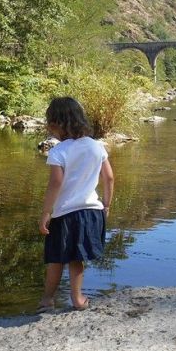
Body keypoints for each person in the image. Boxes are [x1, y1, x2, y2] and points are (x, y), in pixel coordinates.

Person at [37, 96, 114, 313]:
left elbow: (56, 183)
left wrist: (46, 212)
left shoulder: (58, 151)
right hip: (90, 211)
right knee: (76, 258)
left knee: (56, 259)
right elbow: (109, 178)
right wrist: (106, 205)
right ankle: (78, 299)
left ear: (56, 124)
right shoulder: (96, 146)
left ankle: (47, 300)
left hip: (64, 214)